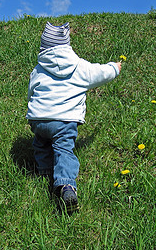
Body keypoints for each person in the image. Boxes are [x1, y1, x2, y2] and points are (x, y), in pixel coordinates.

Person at [26, 21, 121, 213]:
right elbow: (101, 73)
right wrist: (114, 67)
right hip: (64, 121)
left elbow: (31, 92)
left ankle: (44, 171)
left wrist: (35, 111)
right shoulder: (80, 67)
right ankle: (66, 185)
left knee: (41, 143)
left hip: (38, 119)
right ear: (67, 45)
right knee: (64, 150)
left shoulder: (38, 69)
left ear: (44, 47)